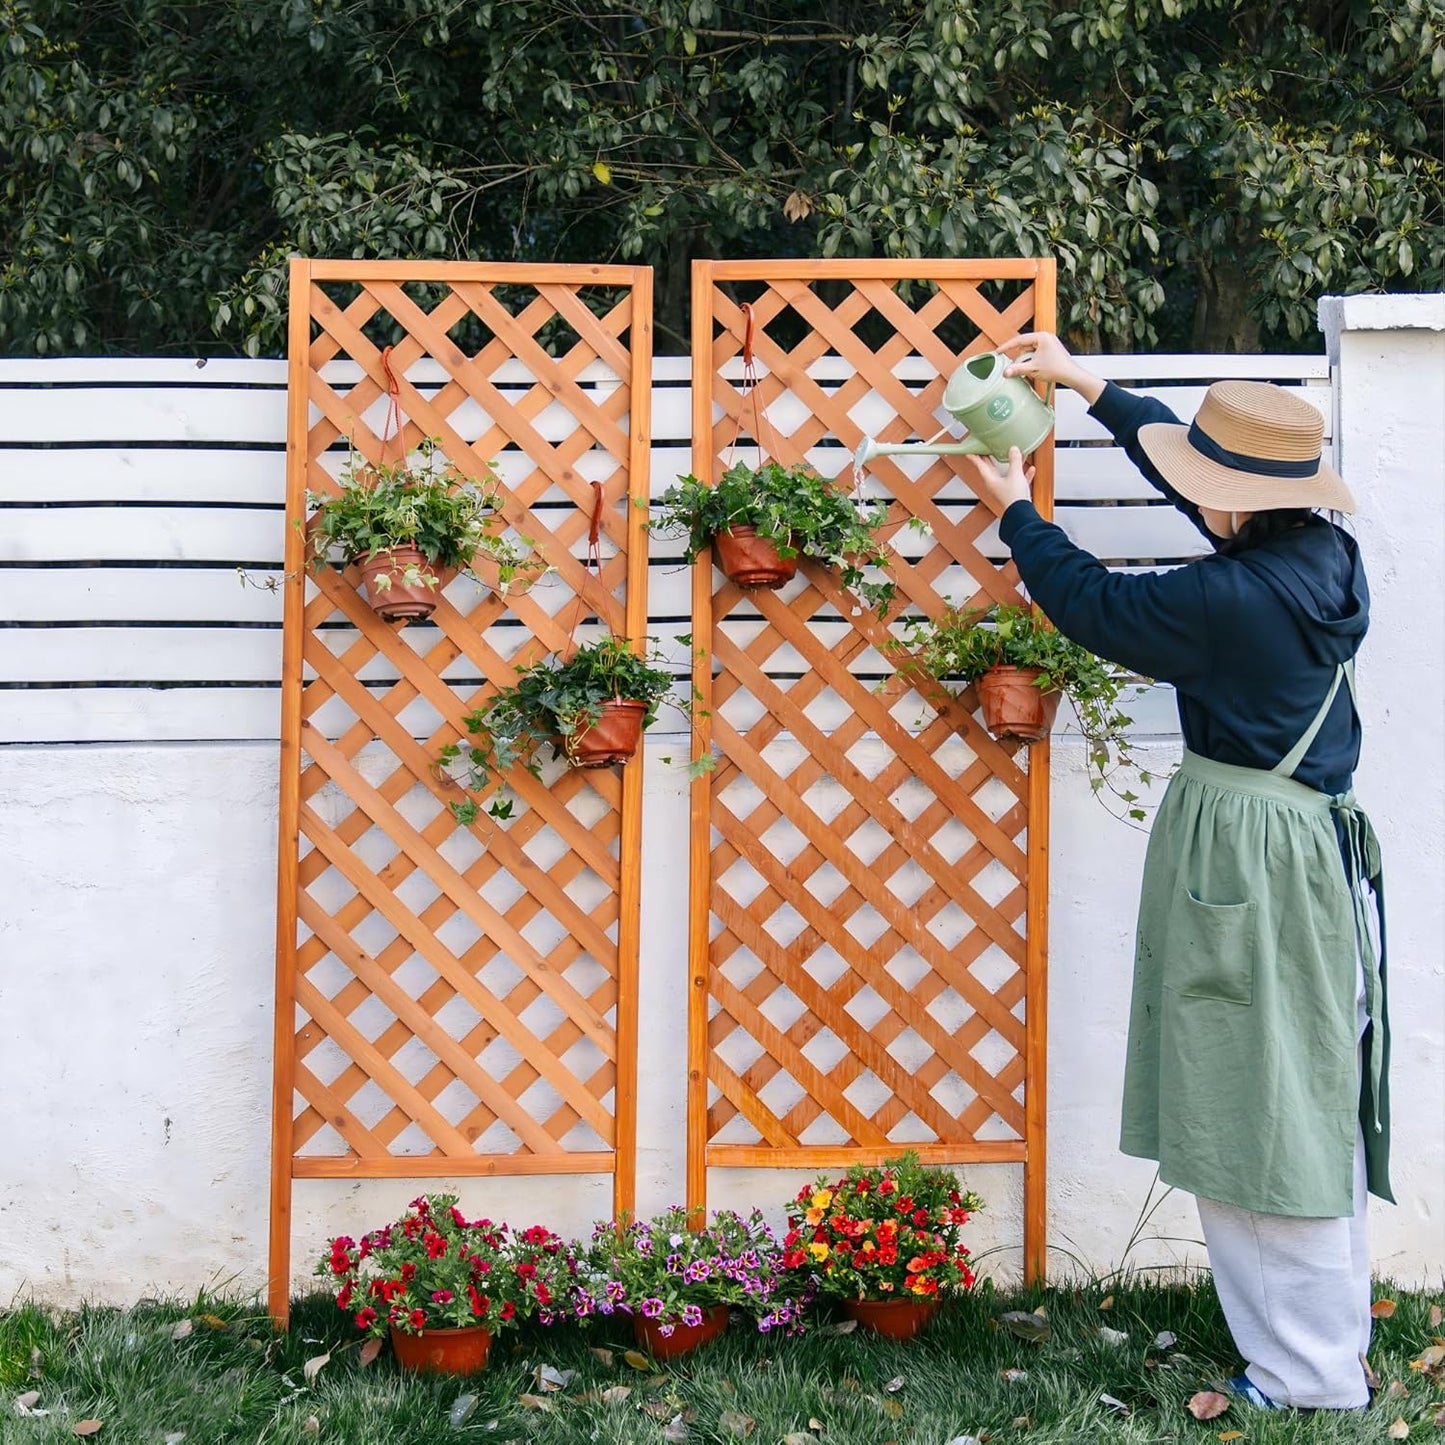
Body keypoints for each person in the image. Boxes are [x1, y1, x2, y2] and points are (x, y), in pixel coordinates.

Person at [960, 333, 1389, 1413]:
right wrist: (1081, 381)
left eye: (1207, 486)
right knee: (1294, 1103)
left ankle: (1304, 1376)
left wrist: (1016, 508)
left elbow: (1097, 606)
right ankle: (1318, 1350)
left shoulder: (1227, 601)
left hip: (1255, 863)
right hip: (1303, 856)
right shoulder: (1320, 555)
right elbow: (1179, 461)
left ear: (1235, 499)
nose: (1191, 495)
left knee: (1260, 1115)